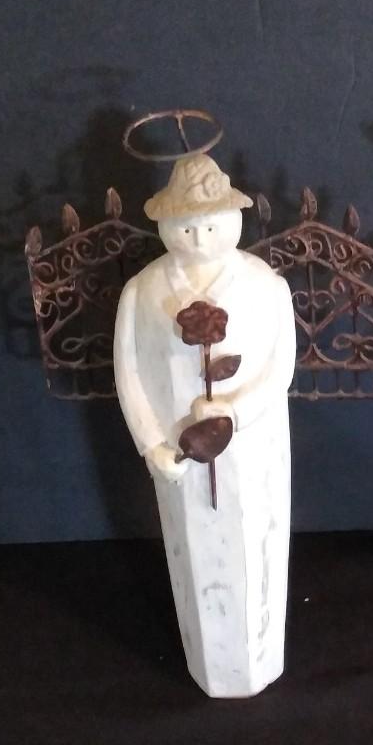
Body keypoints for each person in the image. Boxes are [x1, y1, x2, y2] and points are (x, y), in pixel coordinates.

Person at [113, 154, 296, 697]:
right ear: (164, 224)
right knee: (191, 553)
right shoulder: (142, 292)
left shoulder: (265, 285)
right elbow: (129, 373)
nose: (199, 237)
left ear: (236, 218)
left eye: (212, 224)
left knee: (258, 547)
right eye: (185, 226)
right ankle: (209, 667)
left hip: (254, 453)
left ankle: (259, 661)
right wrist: (152, 443)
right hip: (179, 459)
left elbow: (279, 367)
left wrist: (235, 410)